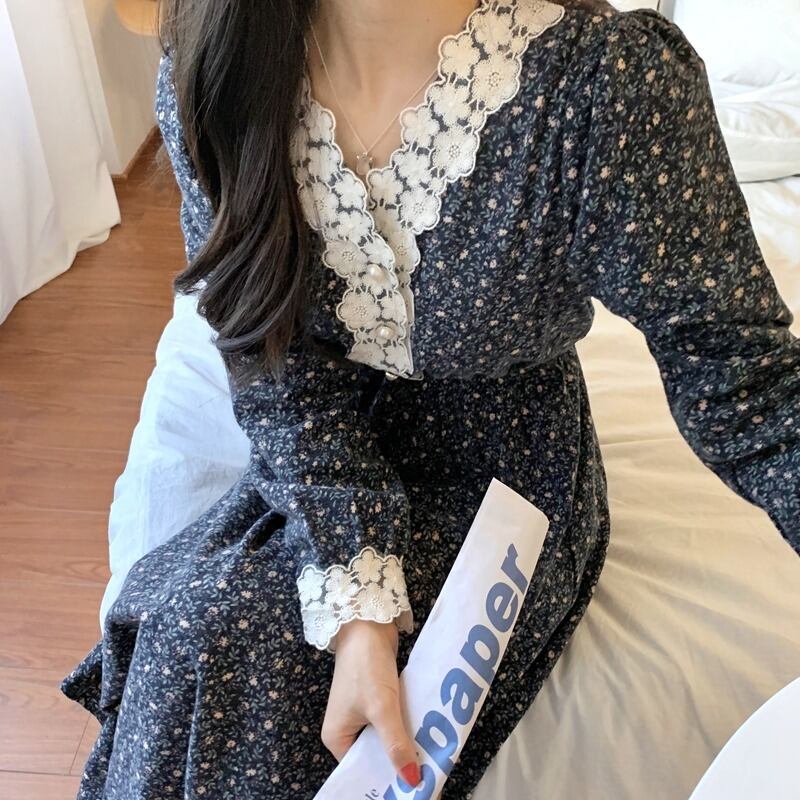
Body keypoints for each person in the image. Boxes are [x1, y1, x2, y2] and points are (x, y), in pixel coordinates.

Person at [59, 0, 800, 797]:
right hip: (319, 448)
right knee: (188, 632)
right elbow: (265, 354)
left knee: (240, 663)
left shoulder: (605, 86)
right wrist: (357, 598)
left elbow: (747, 383)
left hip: (509, 472)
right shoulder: (216, 61)